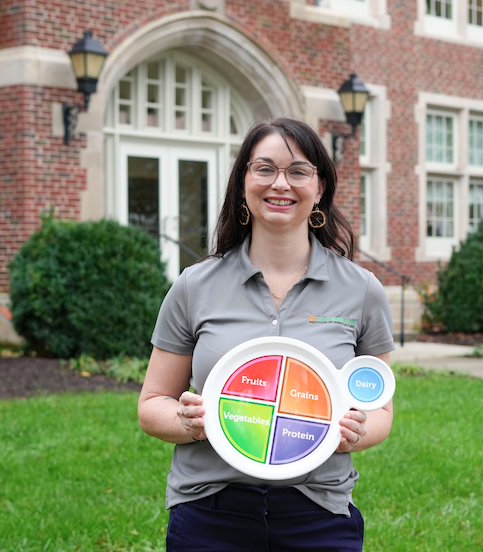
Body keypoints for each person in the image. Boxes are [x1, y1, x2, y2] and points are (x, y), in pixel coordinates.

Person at [137, 117, 395, 552]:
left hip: (318, 511)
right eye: (264, 168)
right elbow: (151, 405)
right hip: (209, 510)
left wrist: (353, 432)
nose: (281, 184)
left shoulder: (362, 290)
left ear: (320, 188)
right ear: (243, 184)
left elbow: (381, 412)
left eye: (298, 171)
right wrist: (191, 423)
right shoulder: (193, 286)